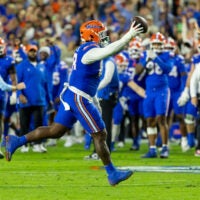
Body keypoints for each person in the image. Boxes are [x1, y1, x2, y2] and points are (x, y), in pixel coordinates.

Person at [5, 19, 144, 186]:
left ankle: (17, 141)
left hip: (76, 95)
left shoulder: (88, 49)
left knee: (55, 131)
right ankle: (112, 173)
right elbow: (110, 50)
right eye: (101, 34)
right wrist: (129, 36)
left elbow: (87, 78)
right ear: (92, 34)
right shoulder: (89, 50)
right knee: (100, 135)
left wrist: (94, 101)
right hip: (79, 97)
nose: (104, 36)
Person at [136, 32, 173, 158]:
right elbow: (138, 71)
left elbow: (168, 69)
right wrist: (146, 60)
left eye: (159, 43)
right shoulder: (146, 54)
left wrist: (156, 58)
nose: (157, 45)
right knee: (149, 120)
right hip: (149, 91)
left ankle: (164, 147)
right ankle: (152, 149)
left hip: (162, 90)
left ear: (163, 44)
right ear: (151, 44)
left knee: (161, 119)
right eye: (155, 43)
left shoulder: (167, 54)